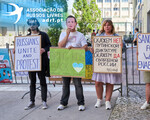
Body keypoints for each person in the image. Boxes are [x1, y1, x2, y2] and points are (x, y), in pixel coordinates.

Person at [90, 20, 123, 110]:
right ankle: (99, 99)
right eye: (105, 25)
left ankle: (107, 100)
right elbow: (94, 48)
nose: (107, 27)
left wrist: (121, 47)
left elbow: (122, 50)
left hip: (111, 64)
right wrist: (92, 50)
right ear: (103, 27)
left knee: (109, 82)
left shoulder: (116, 37)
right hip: (100, 63)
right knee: (97, 82)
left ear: (112, 26)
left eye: (109, 25)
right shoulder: (99, 36)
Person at [57, 15, 88, 111]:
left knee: (77, 83)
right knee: (65, 84)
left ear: (76, 23)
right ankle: (63, 103)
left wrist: (74, 49)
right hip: (65, 62)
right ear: (66, 24)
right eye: (68, 22)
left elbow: (85, 47)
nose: (70, 24)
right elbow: (60, 46)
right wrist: (67, 35)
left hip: (76, 62)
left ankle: (81, 103)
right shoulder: (63, 34)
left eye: (72, 22)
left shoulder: (80, 35)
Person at [24, 17, 51, 110]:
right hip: (31, 63)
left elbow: (49, 45)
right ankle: (32, 101)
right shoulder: (26, 37)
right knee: (32, 82)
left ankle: (44, 101)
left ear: (37, 25)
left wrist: (44, 49)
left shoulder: (43, 35)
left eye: (34, 23)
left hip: (41, 63)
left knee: (43, 82)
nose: (32, 25)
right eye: (30, 24)